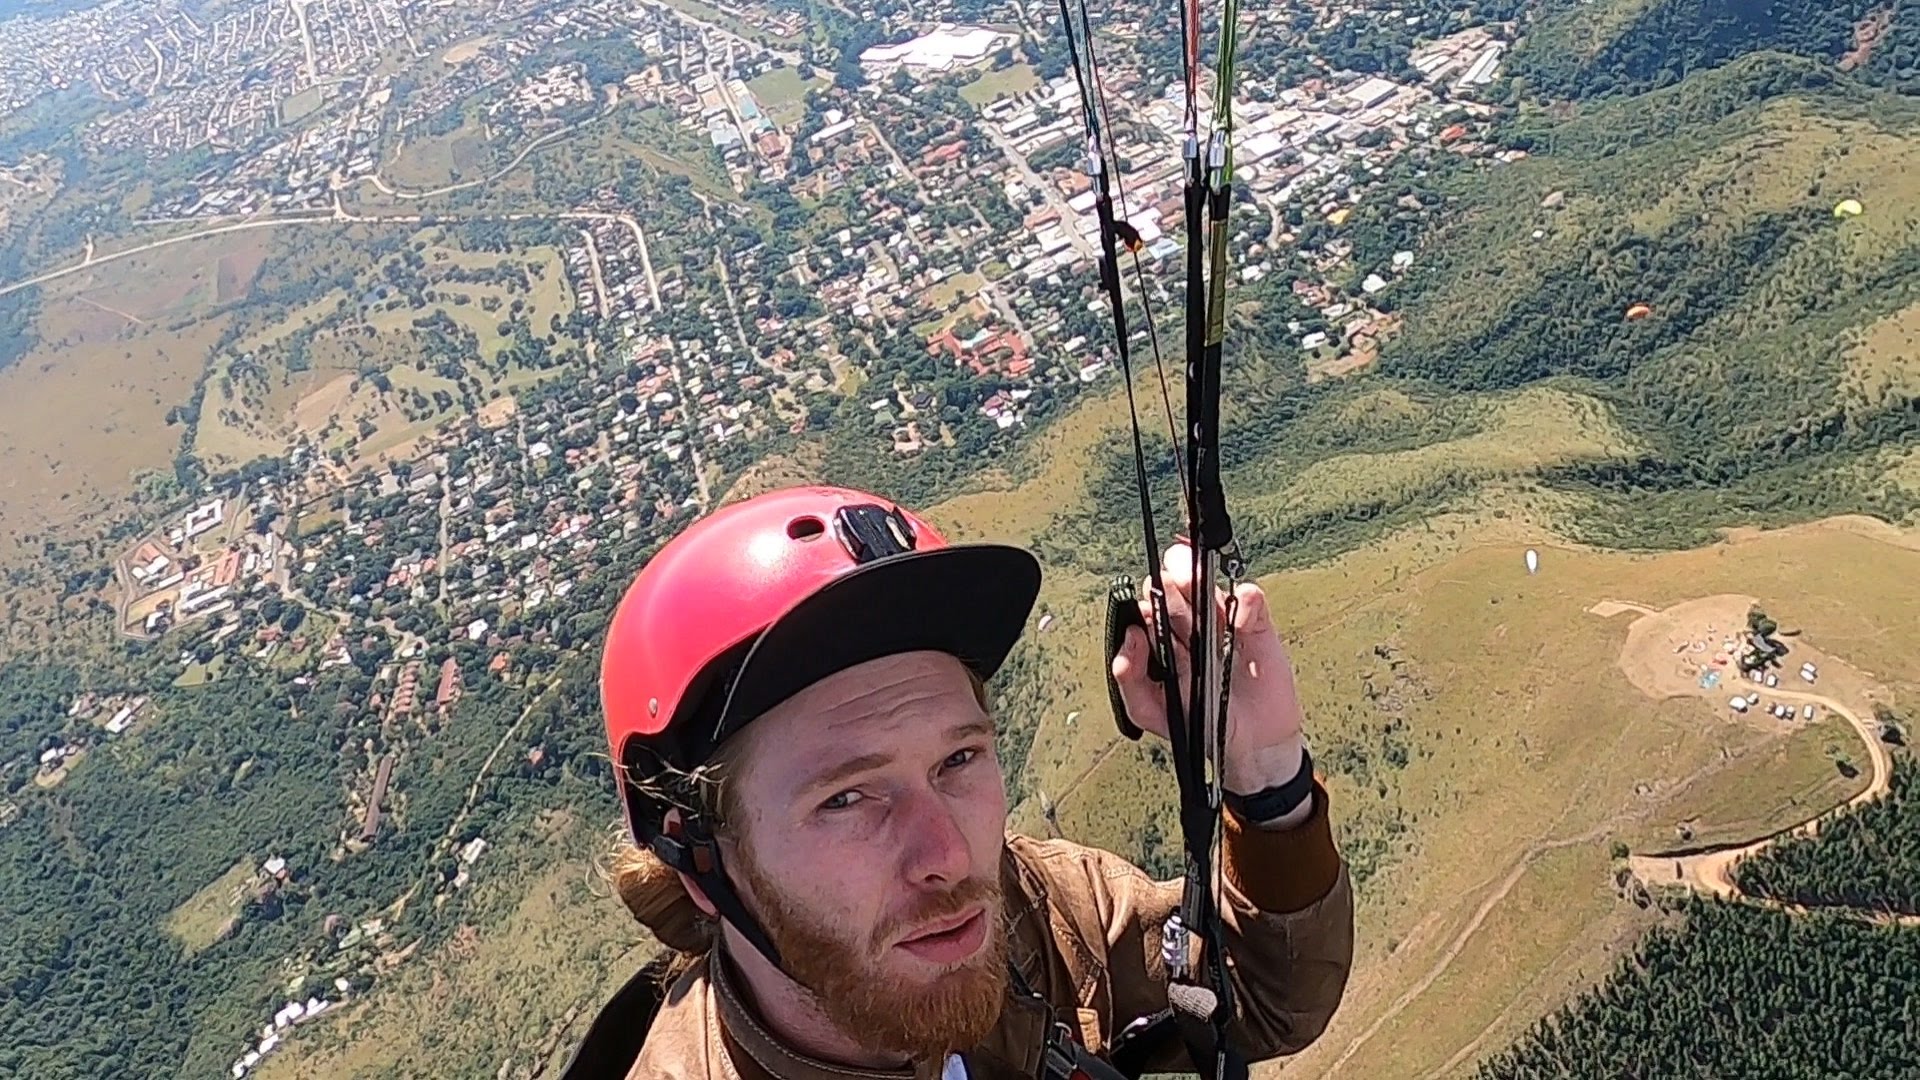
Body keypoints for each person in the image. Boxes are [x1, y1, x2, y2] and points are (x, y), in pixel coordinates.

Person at [564, 485, 1353, 1080]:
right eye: (846, 798)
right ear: (698, 860)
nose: (947, 853)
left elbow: (1260, 999)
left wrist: (1264, 769)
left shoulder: (1030, 908)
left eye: (957, 761)